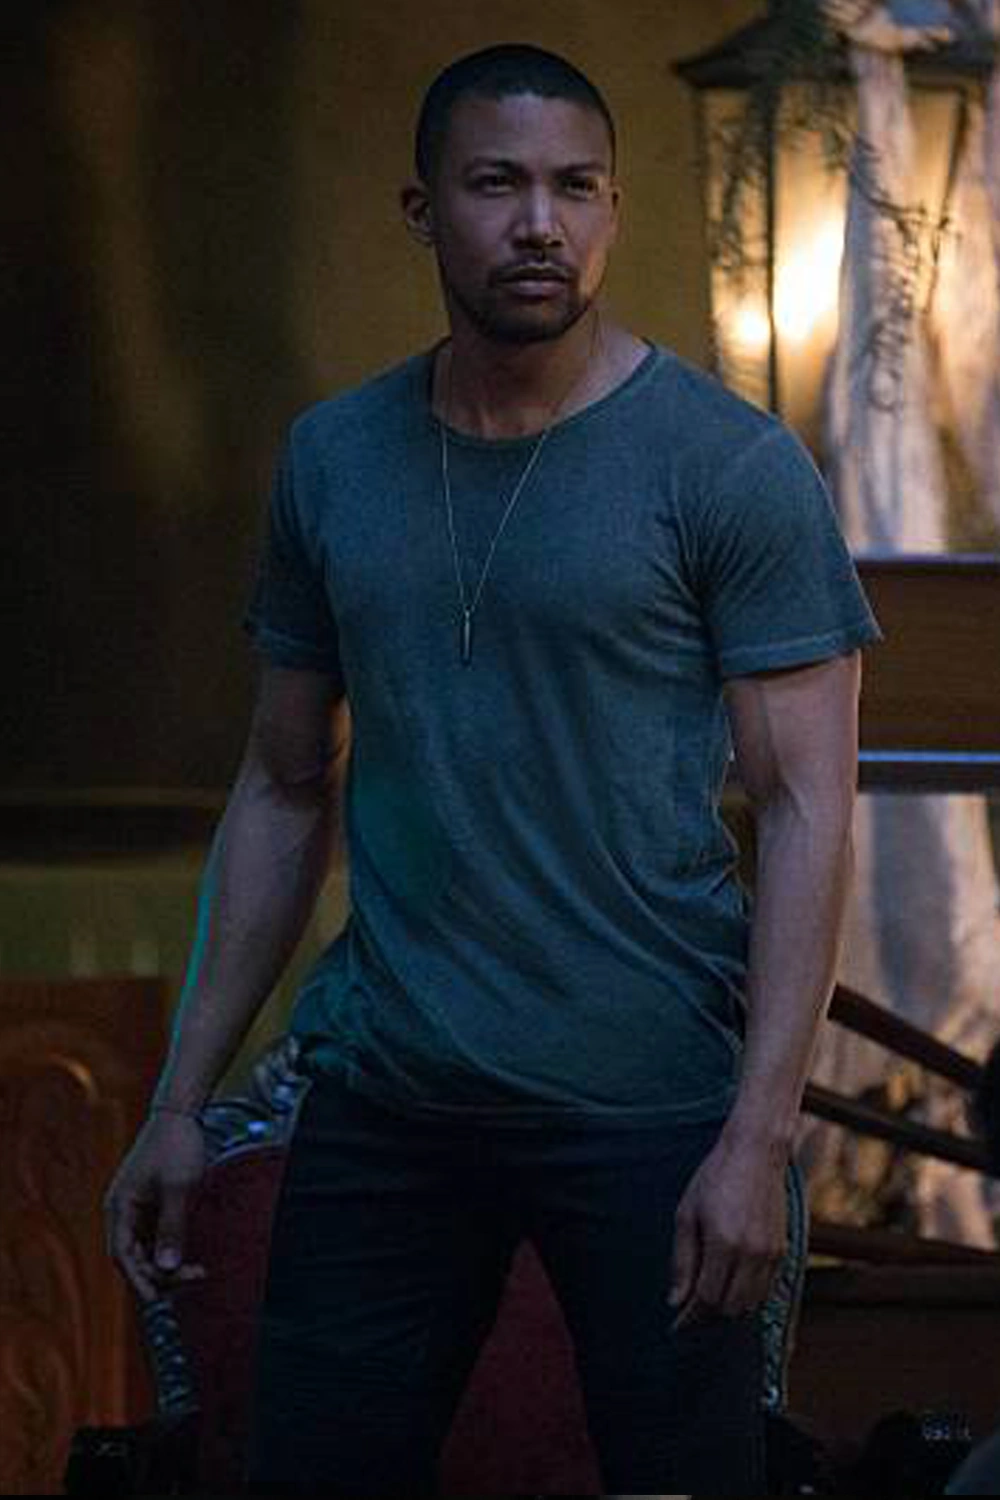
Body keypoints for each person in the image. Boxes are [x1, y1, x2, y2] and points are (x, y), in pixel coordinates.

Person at [104, 43, 881, 1496]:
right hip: (388, 1099)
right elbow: (282, 786)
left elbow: (806, 810)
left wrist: (760, 1134)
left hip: (648, 1104)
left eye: (577, 187)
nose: (540, 222)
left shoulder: (728, 468)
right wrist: (180, 1101)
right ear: (423, 210)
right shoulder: (334, 459)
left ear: (613, 209)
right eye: (497, 184)